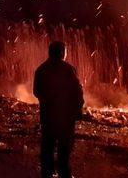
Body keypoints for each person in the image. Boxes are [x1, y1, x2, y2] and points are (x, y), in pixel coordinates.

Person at [34, 41, 84, 178]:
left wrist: (47, 101)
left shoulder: (41, 69)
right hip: (65, 117)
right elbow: (77, 91)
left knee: (47, 148)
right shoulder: (68, 69)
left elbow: (36, 91)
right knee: (64, 150)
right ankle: (64, 174)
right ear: (62, 52)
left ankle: (47, 173)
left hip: (47, 116)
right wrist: (78, 109)